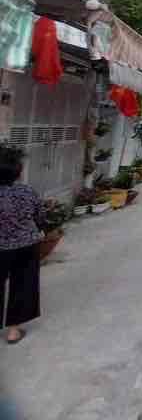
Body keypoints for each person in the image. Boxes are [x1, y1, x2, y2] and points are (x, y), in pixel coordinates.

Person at [0, 145, 43, 345]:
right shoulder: (27, 191)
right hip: (26, 245)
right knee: (23, 284)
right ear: (18, 171)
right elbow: (39, 216)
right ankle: (14, 330)